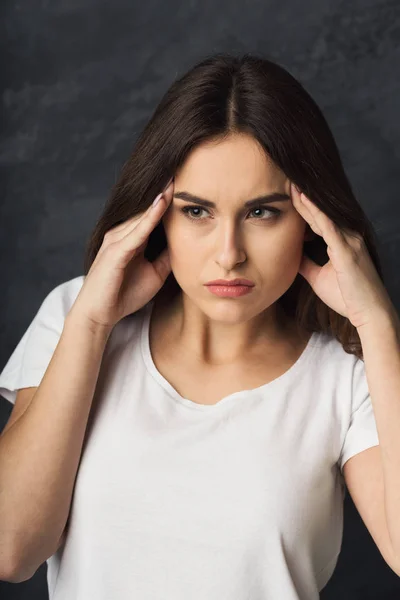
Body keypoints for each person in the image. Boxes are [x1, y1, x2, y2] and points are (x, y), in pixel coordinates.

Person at [0, 52, 382, 599]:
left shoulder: (347, 373)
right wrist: (90, 324)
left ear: (310, 219)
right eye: (197, 211)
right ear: (158, 216)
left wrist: (377, 324)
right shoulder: (75, 317)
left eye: (262, 212)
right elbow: (10, 550)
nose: (228, 255)